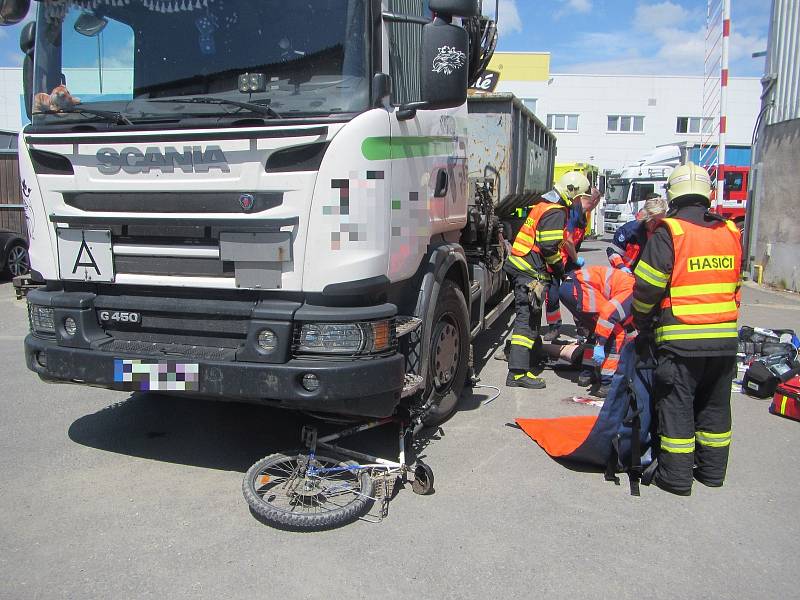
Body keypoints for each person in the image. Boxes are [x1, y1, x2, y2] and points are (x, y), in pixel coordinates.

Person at [632, 163, 742, 496]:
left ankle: (676, 478)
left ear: (672, 195)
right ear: (708, 194)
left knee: (677, 405)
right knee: (715, 407)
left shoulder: (671, 232)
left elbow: (648, 287)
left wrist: (641, 322)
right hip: (723, 341)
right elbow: (735, 285)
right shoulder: (730, 232)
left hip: (681, 341)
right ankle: (711, 472)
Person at [504, 170, 590, 389]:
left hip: (526, 268)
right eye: (580, 196)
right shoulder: (556, 211)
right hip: (528, 272)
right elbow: (549, 247)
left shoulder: (545, 205)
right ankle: (517, 373)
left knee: (532, 319)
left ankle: (532, 358)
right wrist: (560, 269)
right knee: (526, 320)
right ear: (572, 193)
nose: (580, 202)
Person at [559, 265, 635, 397]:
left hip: (570, 286)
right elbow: (607, 315)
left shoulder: (631, 286)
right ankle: (607, 384)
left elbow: (630, 327)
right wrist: (600, 344)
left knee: (597, 330)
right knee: (614, 333)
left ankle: (587, 374)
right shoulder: (632, 293)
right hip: (580, 289)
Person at [543, 187, 602, 342]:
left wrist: (574, 259)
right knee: (553, 292)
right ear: (594, 201)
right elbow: (568, 241)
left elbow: (576, 241)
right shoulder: (574, 211)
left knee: (577, 291)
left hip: (569, 259)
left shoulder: (585, 214)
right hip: (557, 258)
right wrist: (576, 259)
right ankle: (554, 327)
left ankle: (583, 326)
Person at [607, 194, 668, 272]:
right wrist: (621, 266)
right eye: (653, 221)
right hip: (626, 274)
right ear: (646, 217)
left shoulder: (664, 233)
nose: (655, 225)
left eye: (660, 222)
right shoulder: (629, 231)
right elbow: (613, 251)